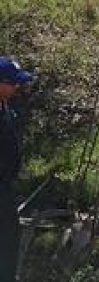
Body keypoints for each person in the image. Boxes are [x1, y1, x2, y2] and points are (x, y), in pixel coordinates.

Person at [0, 57, 33, 282]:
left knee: (9, 241)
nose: (17, 87)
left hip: (5, 186)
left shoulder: (6, 108)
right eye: (13, 83)